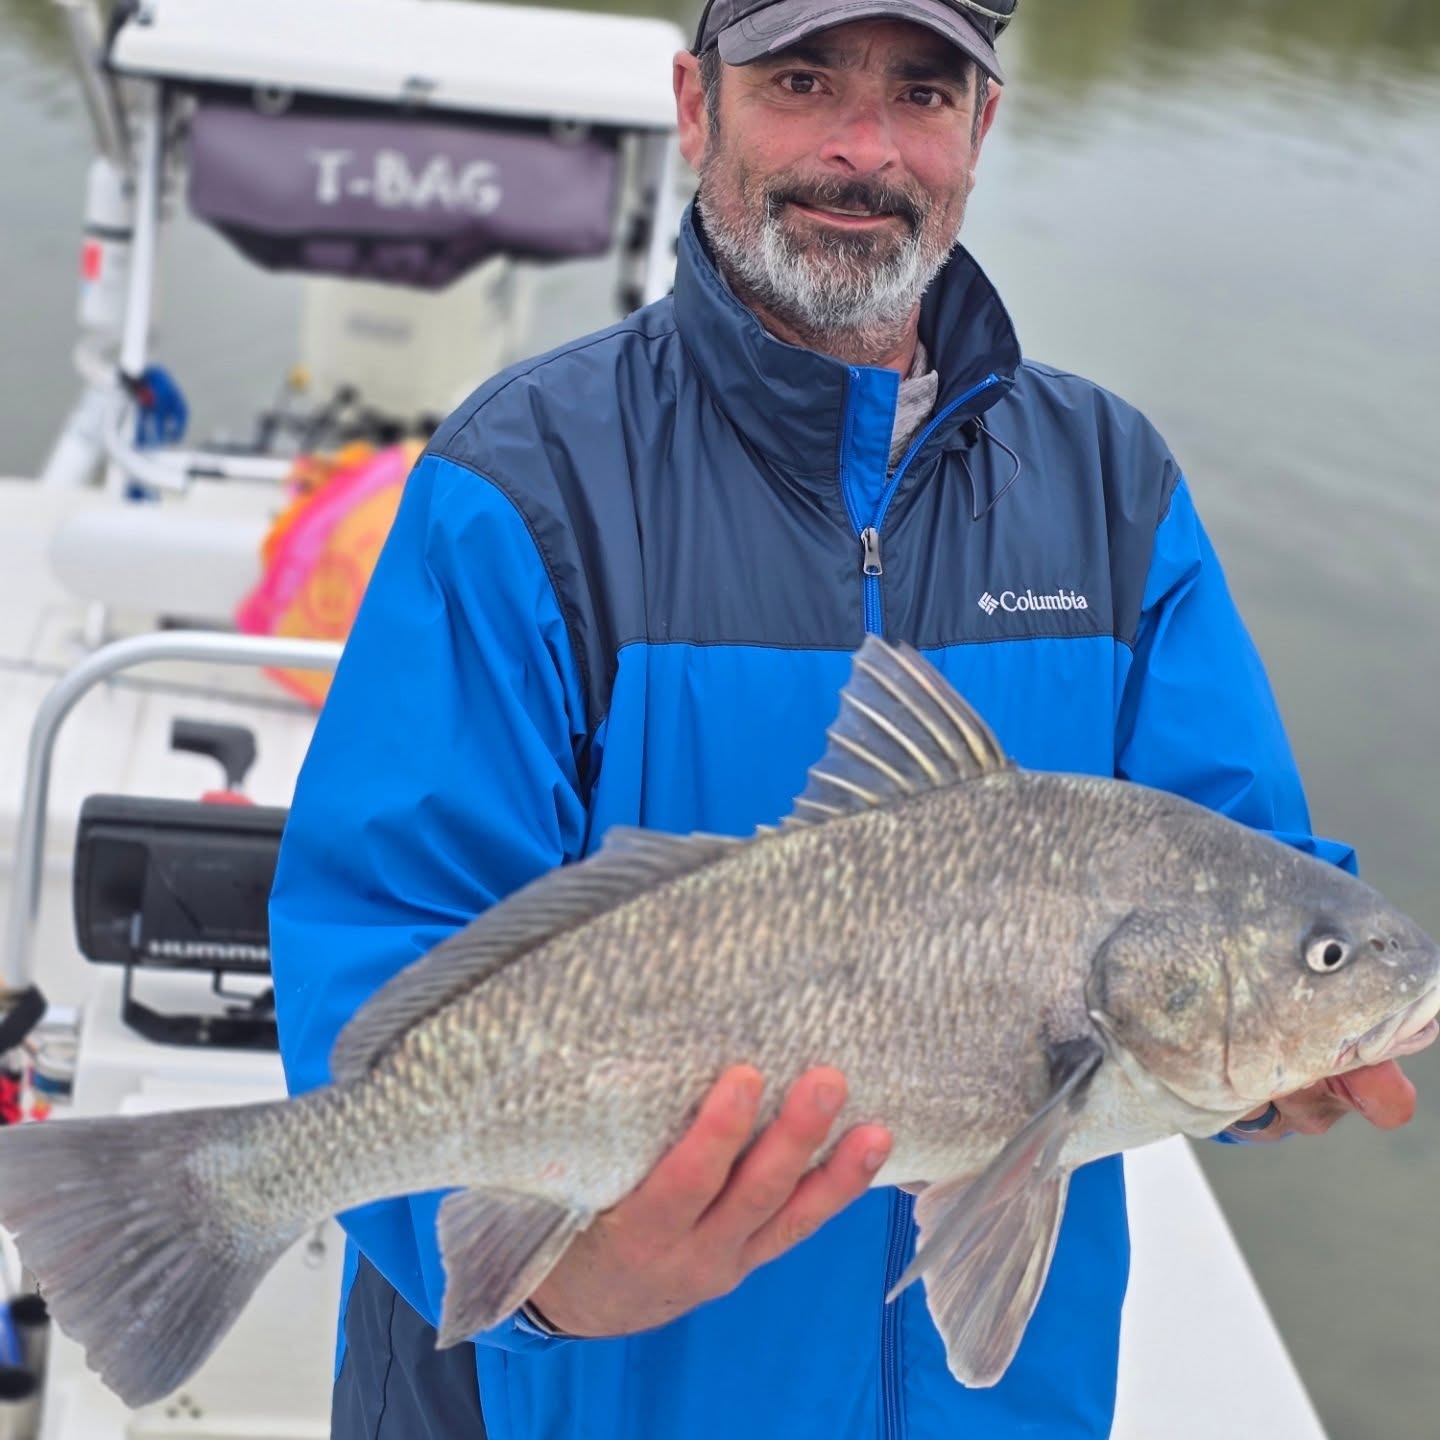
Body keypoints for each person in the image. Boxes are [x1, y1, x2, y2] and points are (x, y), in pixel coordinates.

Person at [269, 0, 1419, 1435]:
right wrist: (569, 1282)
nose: (863, 150)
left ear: (981, 131)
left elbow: (1237, 879)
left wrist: (1278, 1066)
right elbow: (369, 945)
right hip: (575, 1398)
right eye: (804, 80)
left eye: (924, 94)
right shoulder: (522, 481)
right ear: (697, 106)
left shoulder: (1117, 487)